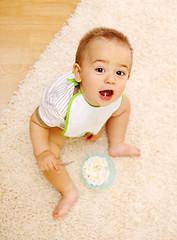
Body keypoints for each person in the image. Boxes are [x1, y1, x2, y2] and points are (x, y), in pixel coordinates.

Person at [29, 27, 141, 219]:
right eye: (100, 69)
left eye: (120, 73)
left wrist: (97, 125)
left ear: (128, 77)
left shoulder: (112, 95)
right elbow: (36, 121)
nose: (110, 79)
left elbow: (105, 108)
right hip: (62, 124)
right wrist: (42, 152)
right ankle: (68, 191)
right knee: (50, 159)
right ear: (79, 73)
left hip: (90, 113)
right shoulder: (59, 106)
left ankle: (116, 143)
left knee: (124, 105)